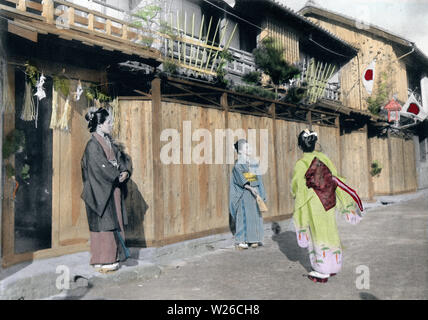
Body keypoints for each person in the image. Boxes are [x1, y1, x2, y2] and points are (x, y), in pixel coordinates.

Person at [291, 129, 363, 283]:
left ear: (300, 146)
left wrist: (297, 199)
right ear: (314, 142)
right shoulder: (323, 157)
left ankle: (322, 270)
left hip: (313, 202)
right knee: (330, 230)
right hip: (328, 200)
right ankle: (334, 265)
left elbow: (298, 187)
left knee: (317, 233)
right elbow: (335, 177)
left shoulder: (301, 163)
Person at [81, 107, 132, 273]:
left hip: (112, 188)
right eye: (108, 122)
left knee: (114, 220)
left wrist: (124, 171)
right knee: (104, 223)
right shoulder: (92, 146)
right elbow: (98, 168)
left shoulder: (109, 141)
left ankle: (111, 258)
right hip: (99, 191)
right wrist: (116, 175)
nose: (111, 125)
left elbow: (119, 159)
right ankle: (102, 259)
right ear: (99, 125)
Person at [229, 139, 267, 249]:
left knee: (255, 215)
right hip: (245, 192)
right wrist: (250, 188)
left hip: (255, 191)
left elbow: (258, 178)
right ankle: (241, 240)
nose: (249, 149)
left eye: (249, 147)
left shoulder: (254, 162)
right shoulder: (238, 166)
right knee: (244, 216)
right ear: (240, 151)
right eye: (246, 147)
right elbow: (241, 180)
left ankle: (254, 239)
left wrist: (261, 191)